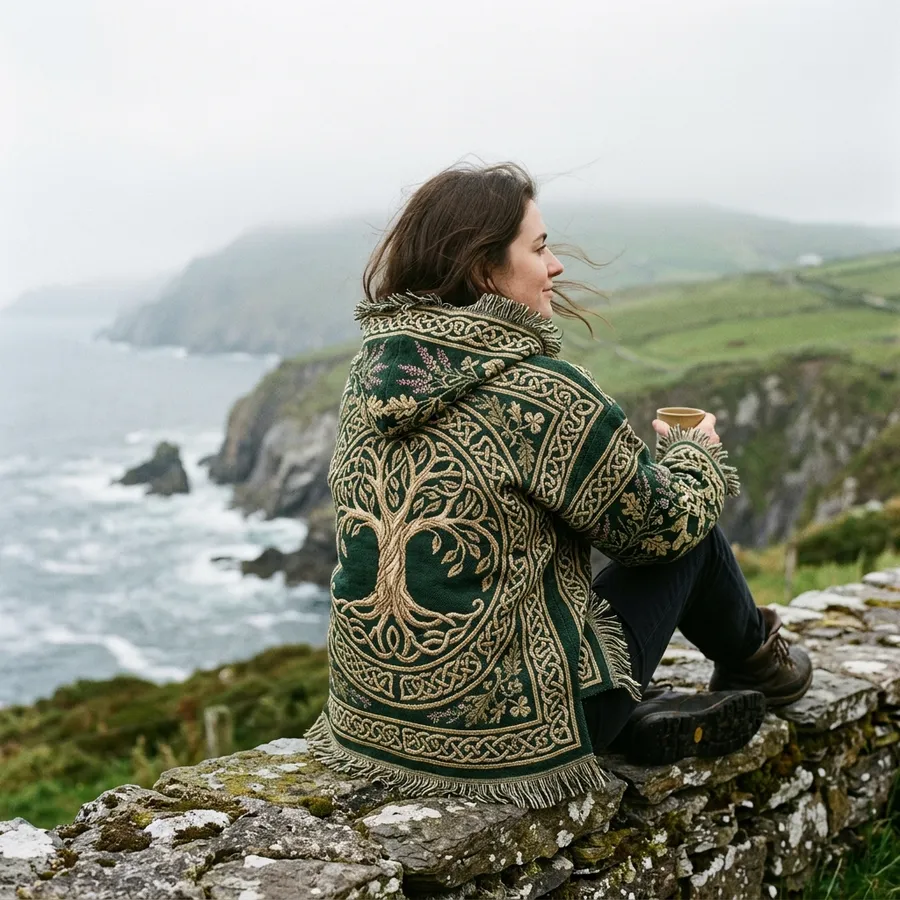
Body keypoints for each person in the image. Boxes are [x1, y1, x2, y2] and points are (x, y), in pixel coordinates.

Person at [306, 162, 812, 807]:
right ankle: (760, 667)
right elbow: (658, 531)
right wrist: (693, 454)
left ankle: (656, 704)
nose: (556, 267)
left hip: (371, 728)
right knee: (694, 537)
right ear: (484, 267)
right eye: (539, 248)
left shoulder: (368, 378)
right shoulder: (544, 396)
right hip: (520, 733)